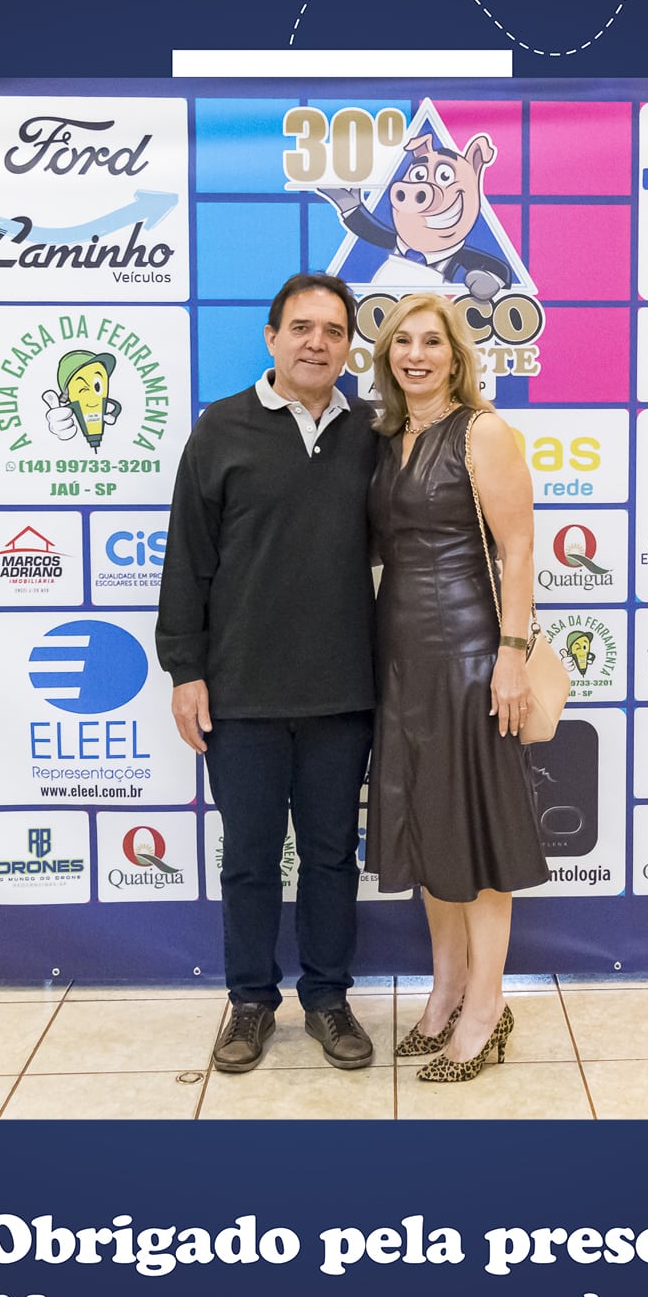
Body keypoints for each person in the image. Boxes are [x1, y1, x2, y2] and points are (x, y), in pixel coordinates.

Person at [157, 273, 381, 1073]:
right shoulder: (221, 427)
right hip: (241, 692)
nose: (317, 343)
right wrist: (185, 669)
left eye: (333, 330)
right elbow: (188, 558)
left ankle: (327, 998)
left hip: (343, 692)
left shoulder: (374, 433)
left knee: (331, 857)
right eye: (302, 328)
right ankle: (250, 1001)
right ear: (272, 337)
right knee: (250, 858)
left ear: (349, 346)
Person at [364, 291, 549, 1084]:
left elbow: (518, 550)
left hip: (472, 653)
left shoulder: (483, 432)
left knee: (475, 832)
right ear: (387, 357)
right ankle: (445, 991)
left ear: (455, 355)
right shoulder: (384, 440)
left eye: (431, 342)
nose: (416, 355)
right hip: (399, 654)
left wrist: (510, 655)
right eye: (402, 342)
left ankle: (486, 1007)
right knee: (427, 830)